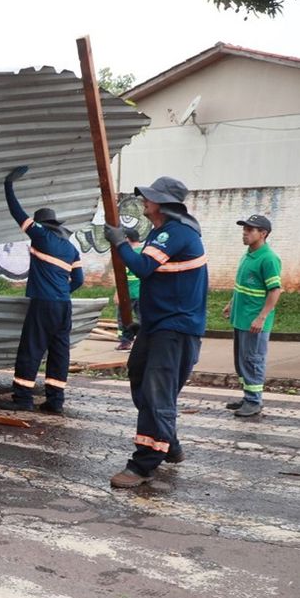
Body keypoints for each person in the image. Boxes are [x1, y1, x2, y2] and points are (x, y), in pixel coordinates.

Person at [103, 176, 207, 488]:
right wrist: (143, 322)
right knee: (138, 376)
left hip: (176, 329)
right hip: (158, 325)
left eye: (150, 197)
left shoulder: (177, 232)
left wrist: (120, 242)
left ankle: (144, 463)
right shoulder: (162, 232)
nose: (144, 201)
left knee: (156, 394)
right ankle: (169, 442)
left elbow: (143, 269)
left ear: (163, 204)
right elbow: (162, 281)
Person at [0, 166, 84, 414]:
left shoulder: (41, 237)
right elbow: (78, 279)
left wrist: (8, 185)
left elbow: (18, 213)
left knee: (32, 348)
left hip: (43, 304)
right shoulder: (71, 248)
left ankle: (23, 398)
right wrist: (61, 292)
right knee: (59, 351)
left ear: (42, 224)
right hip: (63, 306)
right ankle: (55, 401)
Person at [223, 214, 281, 418]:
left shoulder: (268, 258)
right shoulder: (248, 254)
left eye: (250, 230)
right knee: (242, 361)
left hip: (254, 322)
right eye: (244, 229)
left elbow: (275, 291)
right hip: (241, 318)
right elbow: (243, 285)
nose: (244, 233)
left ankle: (254, 401)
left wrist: (262, 317)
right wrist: (231, 304)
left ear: (263, 234)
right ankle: (248, 396)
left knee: (253, 360)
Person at [115, 228, 143, 351]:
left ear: (127, 239)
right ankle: (144, 341)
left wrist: (117, 294)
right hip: (143, 293)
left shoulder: (127, 254)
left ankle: (125, 342)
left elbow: (122, 276)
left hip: (128, 294)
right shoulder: (145, 251)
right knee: (144, 318)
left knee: (123, 318)